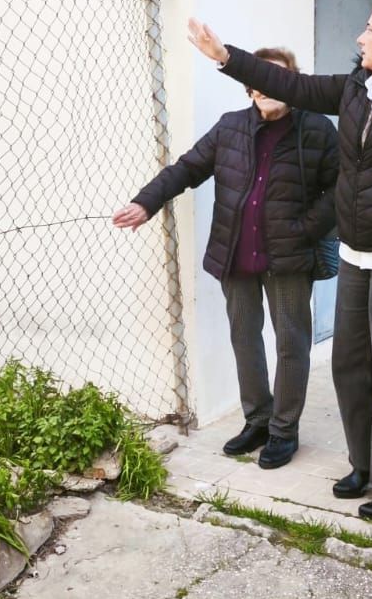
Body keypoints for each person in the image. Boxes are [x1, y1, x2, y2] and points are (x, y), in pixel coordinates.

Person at [185, 0, 372, 522]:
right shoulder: (356, 88)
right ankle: (366, 464)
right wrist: (225, 57)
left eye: (370, 29)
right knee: (348, 366)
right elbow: (292, 85)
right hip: (358, 251)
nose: (360, 38)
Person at [114, 47, 339, 470]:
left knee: (291, 343)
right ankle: (258, 419)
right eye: (261, 80)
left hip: (289, 257)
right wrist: (147, 202)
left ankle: (284, 430)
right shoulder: (231, 127)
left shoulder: (318, 129)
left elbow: (339, 188)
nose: (268, 87)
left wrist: (305, 229)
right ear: (251, 87)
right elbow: (187, 169)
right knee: (244, 337)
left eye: (278, 78)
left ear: (293, 84)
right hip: (235, 252)